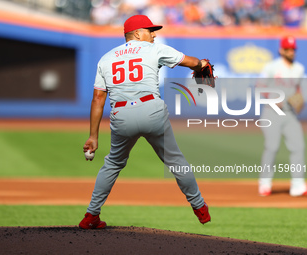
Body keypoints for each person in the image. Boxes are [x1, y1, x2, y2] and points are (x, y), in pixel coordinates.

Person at [79, 15, 211, 229]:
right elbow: (192, 62)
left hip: (121, 115)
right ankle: (200, 208)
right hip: (151, 110)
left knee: (112, 163)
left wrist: (93, 136)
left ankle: (91, 215)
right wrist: (201, 65)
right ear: (138, 34)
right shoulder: (155, 49)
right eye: (150, 31)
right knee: (175, 161)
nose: (154, 34)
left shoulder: (106, 58)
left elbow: (98, 98)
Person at [258, 35, 307, 197]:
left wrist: (299, 101)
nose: (291, 52)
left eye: (293, 49)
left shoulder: (299, 69)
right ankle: (265, 183)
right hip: (271, 112)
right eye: (288, 49)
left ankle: (298, 185)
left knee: (298, 147)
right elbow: (260, 87)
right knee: (272, 147)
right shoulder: (271, 67)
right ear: (281, 50)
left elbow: (297, 90)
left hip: (290, 114)